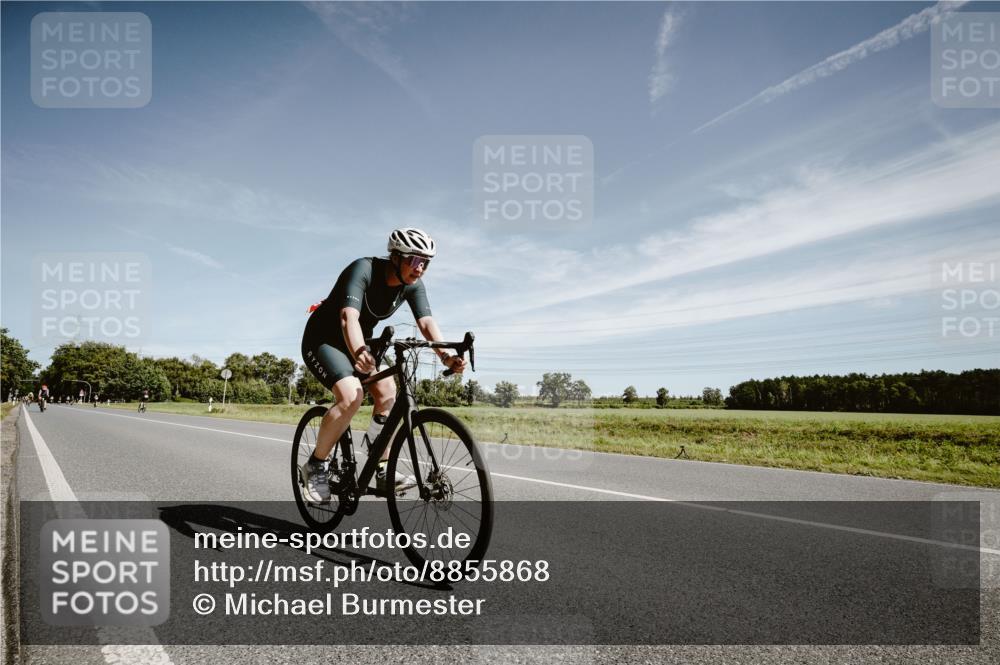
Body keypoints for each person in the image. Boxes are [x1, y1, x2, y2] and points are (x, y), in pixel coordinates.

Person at [300, 228, 466, 502]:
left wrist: (446, 356)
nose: (421, 268)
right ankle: (316, 465)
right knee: (352, 395)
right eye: (414, 260)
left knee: (389, 391)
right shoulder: (363, 269)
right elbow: (347, 318)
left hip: (359, 341)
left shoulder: (413, 285)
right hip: (324, 340)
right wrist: (359, 351)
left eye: (426, 262)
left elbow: (426, 323)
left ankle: (380, 464)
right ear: (396, 258)